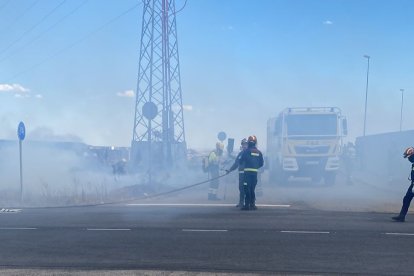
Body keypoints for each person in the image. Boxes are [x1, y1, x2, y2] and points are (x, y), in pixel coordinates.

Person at [239, 135, 264, 210]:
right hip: (255, 174)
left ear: (248, 143)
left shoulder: (246, 151)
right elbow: (261, 163)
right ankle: (252, 205)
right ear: (255, 143)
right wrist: (255, 167)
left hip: (247, 174)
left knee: (246, 188)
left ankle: (246, 205)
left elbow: (240, 161)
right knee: (252, 189)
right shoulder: (259, 152)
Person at [392, 147, 414, 222]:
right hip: (413, 184)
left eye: (409, 157)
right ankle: (401, 216)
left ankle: (401, 216)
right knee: (406, 199)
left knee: (407, 199)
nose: (408, 159)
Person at [226, 138, 248, 207]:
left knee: (248, 188)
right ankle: (241, 203)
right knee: (241, 188)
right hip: (241, 174)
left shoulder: (250, 153)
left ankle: (249, 203)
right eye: (243, 145)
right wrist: (229, 170)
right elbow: (236, 164)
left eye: (246, 144)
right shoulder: (240, 154)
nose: (244, 146)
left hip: (248, 174)